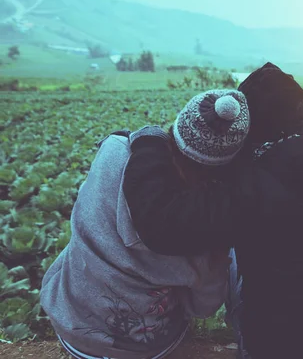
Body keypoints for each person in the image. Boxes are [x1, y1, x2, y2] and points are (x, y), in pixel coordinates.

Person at [123, 63, 303, 359]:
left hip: (280, 346)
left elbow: (162, 225)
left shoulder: (253, 186)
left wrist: (150, 142)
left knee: (229, 252)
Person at [40, 89, 250, 359]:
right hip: (145, 348)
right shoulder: (204, 224)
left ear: (177, 131)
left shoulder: (112, 150)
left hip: (71, 327)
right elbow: (203, 307)